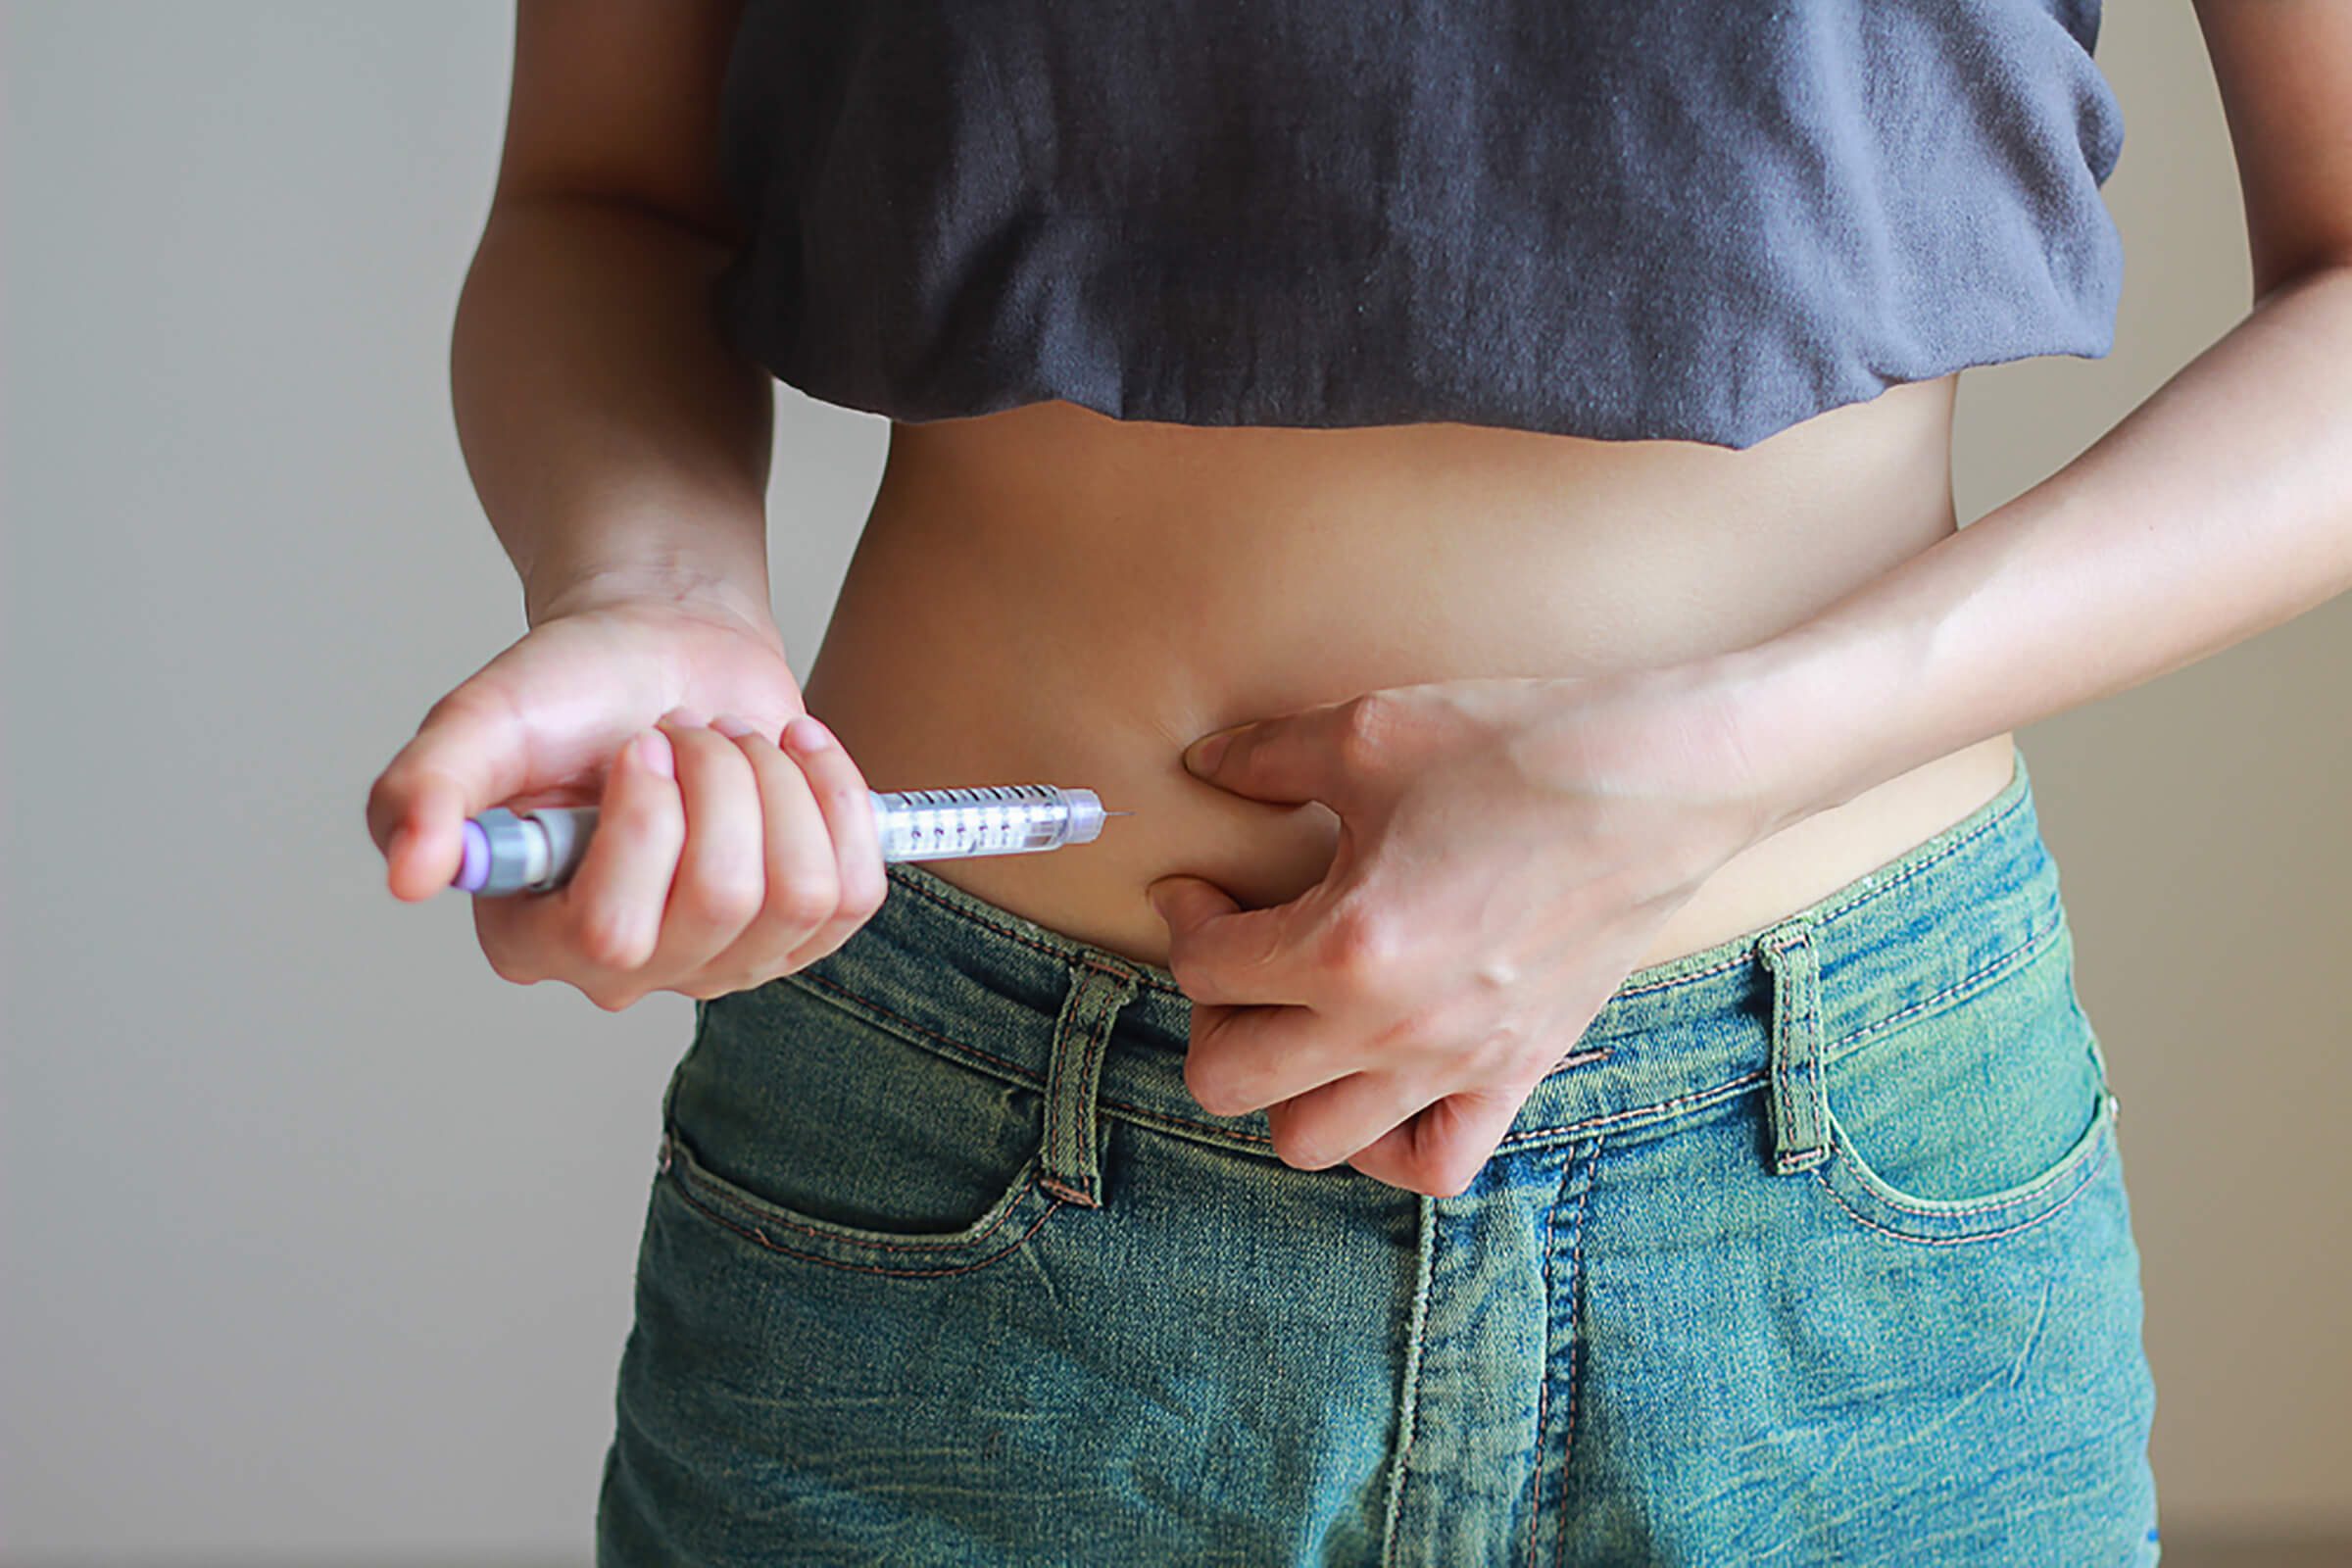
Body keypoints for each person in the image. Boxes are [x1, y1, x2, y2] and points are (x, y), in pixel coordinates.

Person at [366, 2, 2352, 1562]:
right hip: (955, 1181)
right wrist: (655, 600)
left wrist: (1731, 757)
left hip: (1840, 1226)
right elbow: (603, 195)